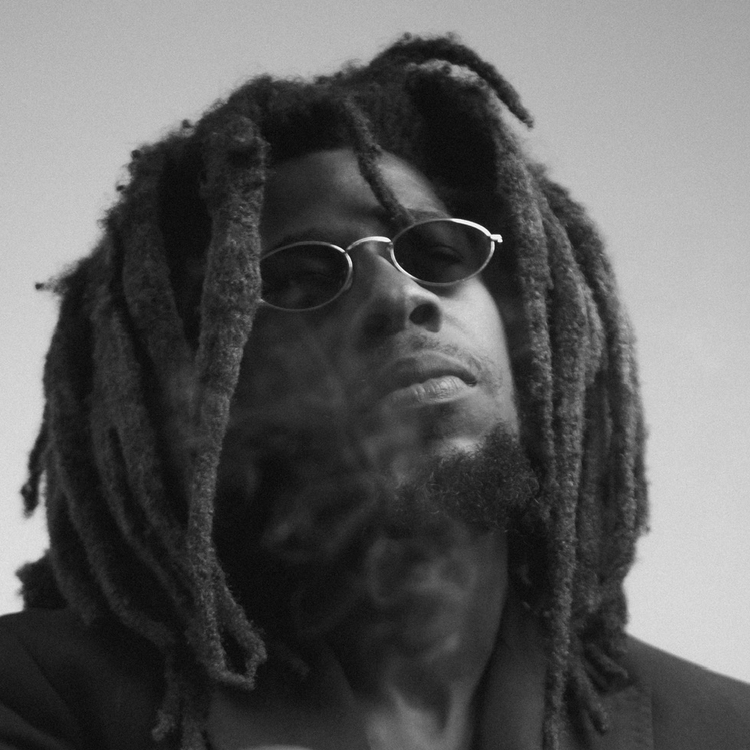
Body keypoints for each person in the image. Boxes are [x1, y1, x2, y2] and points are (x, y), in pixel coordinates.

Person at [1, 33, 748, 750]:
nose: (401, 295)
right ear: (199, 403)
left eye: (438, 252)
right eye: (301, 280)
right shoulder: (37, 697)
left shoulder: (723, 731)